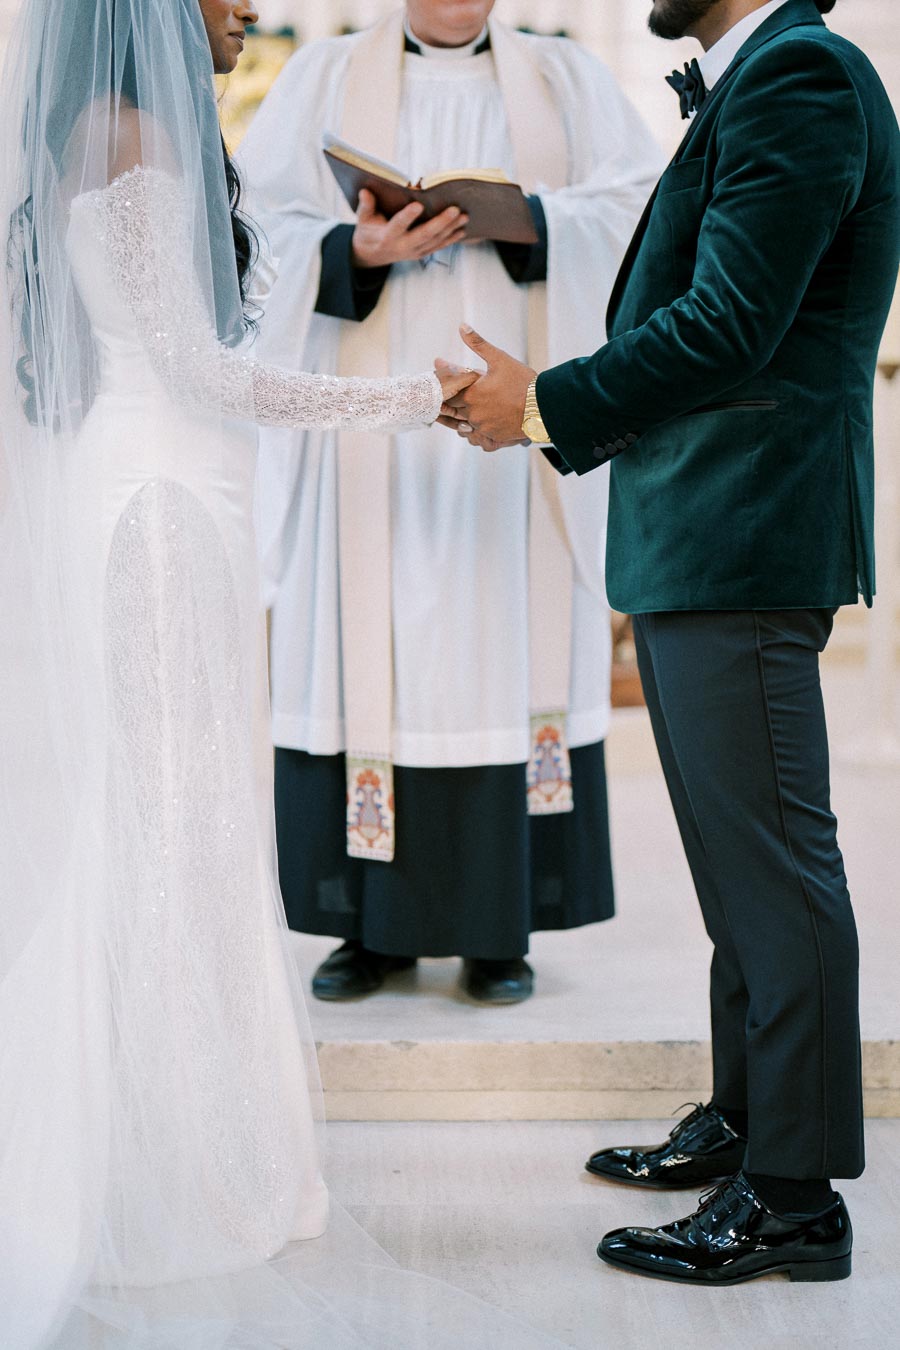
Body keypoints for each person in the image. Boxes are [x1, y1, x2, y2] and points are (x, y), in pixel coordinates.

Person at [0, 1, 477, 1345]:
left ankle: (206, 1143)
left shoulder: (124, 134)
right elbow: (207, 373)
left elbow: (203, 326)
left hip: (174, 501)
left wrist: (354, 255)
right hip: (159, 511)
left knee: (192, 829)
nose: (238, 14)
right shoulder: (128, 131)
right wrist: (403, 403)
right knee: (166, 832)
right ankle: (163, 1164)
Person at [442, 0, 900, 1285]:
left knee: (778, 867)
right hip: (706, 530)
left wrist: (539, 401)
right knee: (733, 870)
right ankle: (750, 1119)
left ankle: (797, 1199)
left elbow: (730, 326)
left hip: (747, 528)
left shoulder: (801, 74)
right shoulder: (767, 75)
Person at [240, 0, 662, 1005]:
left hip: (513, 456)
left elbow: (644, 213)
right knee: (366, 664)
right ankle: (366, 930)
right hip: (363, 455)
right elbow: (255, 231)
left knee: (495, 667)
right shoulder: (325, 78)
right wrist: (357, 254)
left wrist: (535, 222)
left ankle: (496, 928)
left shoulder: (565, 83)